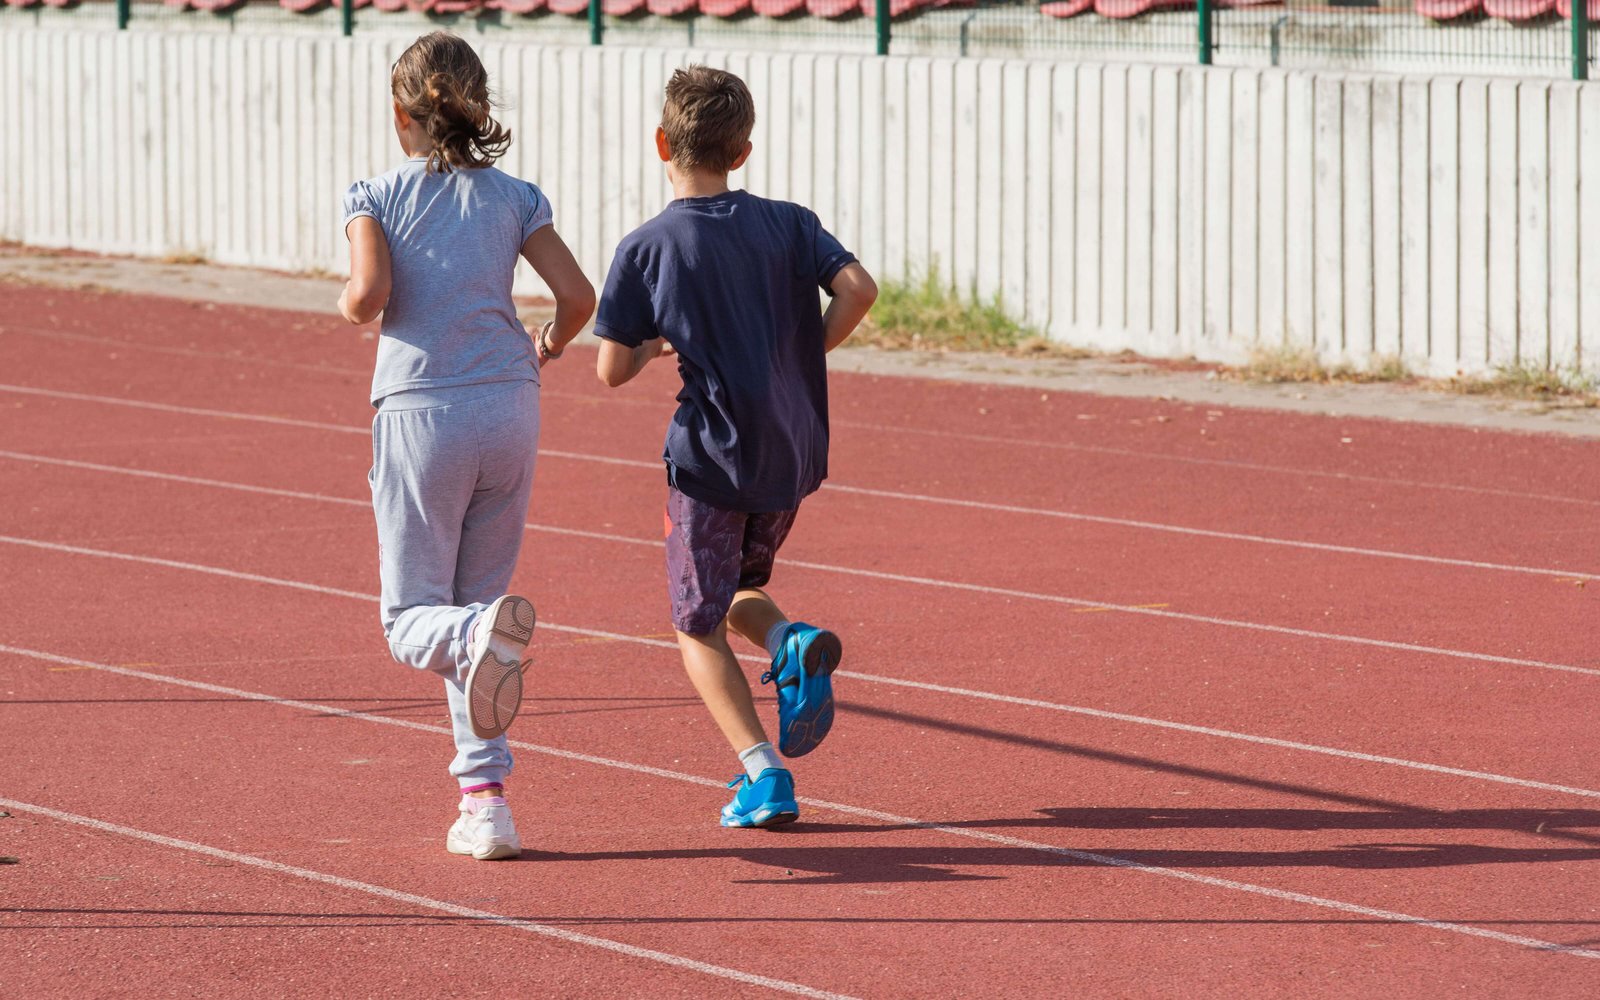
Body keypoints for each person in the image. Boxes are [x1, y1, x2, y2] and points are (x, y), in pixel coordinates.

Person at [592, 66, 878, 828]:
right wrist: (803, 354)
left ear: (661, 142)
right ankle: (791, 639)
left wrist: (659, 342)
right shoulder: (789, 222)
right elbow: (860, 289)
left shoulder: (647, 247)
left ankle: (763, 775)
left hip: (712, 460)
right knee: (739, 585)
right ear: (743, 151)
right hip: (790, 456)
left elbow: (611, 369)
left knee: (695, 623)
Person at [337, 32, 595, 860]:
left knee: (416, 618)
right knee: (475, 612)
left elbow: (369, 295)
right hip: (510, 407)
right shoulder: (516, 195)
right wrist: (548, 345)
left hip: (423, 410)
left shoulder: (374, 193)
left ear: (401, 115)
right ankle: (486, 805)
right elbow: (577, 294)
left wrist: (347, 300)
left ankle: (478, 650)